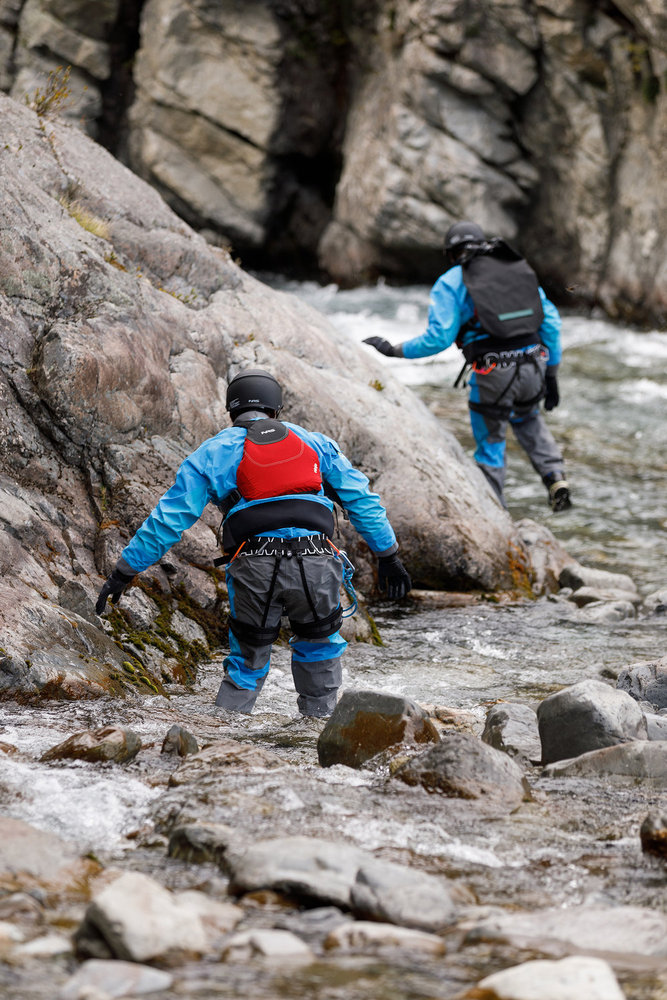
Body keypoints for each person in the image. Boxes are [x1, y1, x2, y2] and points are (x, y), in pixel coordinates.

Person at [95, 369, 411, 717]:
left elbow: (168, 520)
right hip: (318, 561)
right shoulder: (317, 443)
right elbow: (362, 501)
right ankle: (317, 735)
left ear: (232, 412)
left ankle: (224, 741)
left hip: (255, 564)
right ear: (276, 410)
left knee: (248, 661)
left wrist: (124, 571)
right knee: (319, 647)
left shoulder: (212, 452)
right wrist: (388, 555)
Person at [364, 221, 571, 512]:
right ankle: (555, 477)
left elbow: (439, 339)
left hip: (493, 372)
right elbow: (551, 323)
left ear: (451, 254)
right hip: (534, 363)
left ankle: (497, 514)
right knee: (527, 417)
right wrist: (552, 374)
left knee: (491, 442)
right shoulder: (516, 270)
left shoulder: (451, 282)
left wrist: (395, 350)